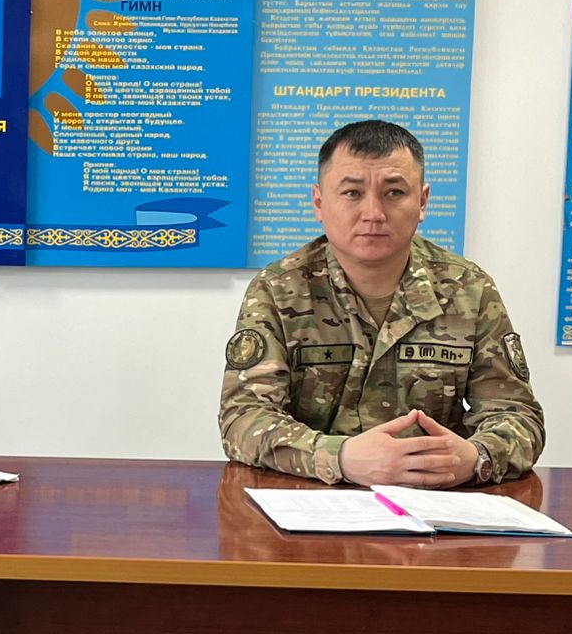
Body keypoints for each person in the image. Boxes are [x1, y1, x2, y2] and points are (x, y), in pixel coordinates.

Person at [219, 119, 542, 487]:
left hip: (434, 500)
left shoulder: (469, 289)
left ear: (422, 202)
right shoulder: (279, 290)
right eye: (352, 193)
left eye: (394, 192)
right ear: (319, 203)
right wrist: (338, 457)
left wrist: (476, 457)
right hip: (312, 498)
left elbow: (518, 416)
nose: (373, 213)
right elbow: (243, 417)